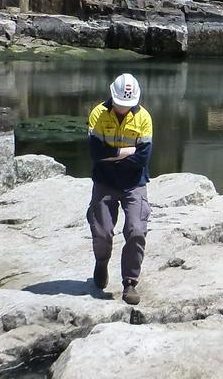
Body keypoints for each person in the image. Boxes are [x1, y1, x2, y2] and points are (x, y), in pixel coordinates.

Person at [86, 72, 153, 305]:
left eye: (128, 105)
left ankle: (130, 282)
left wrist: (110, 155)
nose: (123, 108)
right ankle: (101, 263)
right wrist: (124, 152)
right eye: (120, 104)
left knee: (136, 230)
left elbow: (143, 157)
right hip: (104, 182)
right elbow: (96, 154)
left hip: (134, 182)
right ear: (112, 97)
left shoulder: (144, 118)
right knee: (103, 232)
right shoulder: (97, 114)